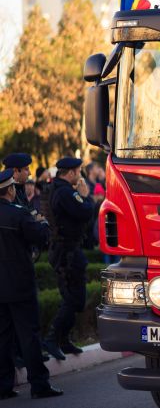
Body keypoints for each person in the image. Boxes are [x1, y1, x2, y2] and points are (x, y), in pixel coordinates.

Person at [0, 169, 63, 400]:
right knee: (29, 335)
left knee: (3, 337)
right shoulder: (19, 213)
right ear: (10, 190)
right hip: (20, 284)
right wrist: (43, 222)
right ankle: (39, 384)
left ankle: (3, 386)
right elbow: (41, 237)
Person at [43, 157, 94, 361]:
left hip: (65, 250)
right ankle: (52, 338)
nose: (80, 175)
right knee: (74, 298)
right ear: (70, 173)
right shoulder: (65, 192)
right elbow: (85, 212)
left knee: (73, 298)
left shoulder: (57, 189)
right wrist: (86, 197)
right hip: (67, 253)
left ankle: (63, 340)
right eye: (78, 171)